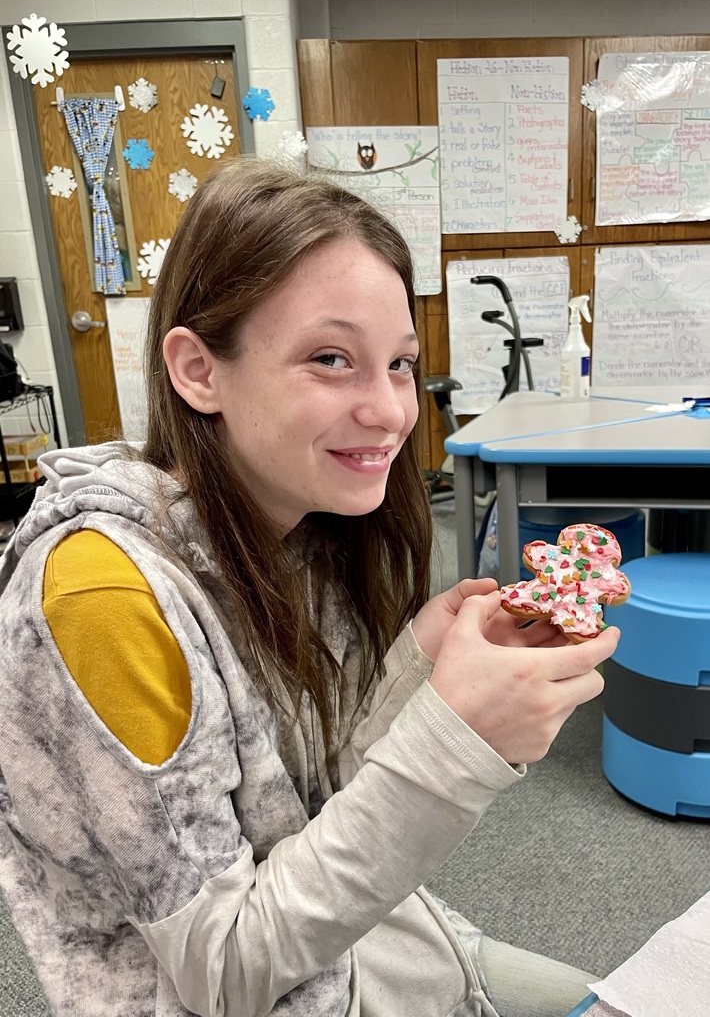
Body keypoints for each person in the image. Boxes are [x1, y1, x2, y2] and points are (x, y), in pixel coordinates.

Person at [0, 158, 618, 1017]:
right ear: (198, 370)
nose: (391, 412)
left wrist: (418, 671)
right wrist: (454, 742)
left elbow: (301, 811)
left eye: (399, 363)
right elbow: (223, 974)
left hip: (364, 949)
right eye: (332, 359)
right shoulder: (101, 602)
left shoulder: (299, 521)